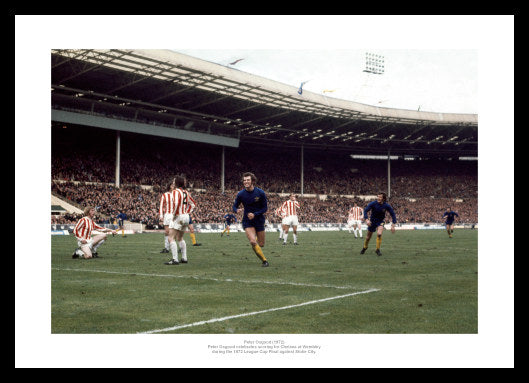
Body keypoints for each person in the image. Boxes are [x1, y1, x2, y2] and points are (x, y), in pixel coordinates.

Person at [232, 172, 269, 267]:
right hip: (247, 221)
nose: (246, 182)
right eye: (244, 180)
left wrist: (255, 214)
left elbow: (265, 208)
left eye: (248, 180)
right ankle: (264, 261)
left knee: (261, 244)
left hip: (259, 220)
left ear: (252, 181)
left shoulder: (260, 193)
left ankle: (255, 238)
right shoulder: (241, 194)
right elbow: (234, 206)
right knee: (252, 241)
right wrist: (237, 210)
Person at [165, 175, 196, 265]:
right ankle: (184, 258)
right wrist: (187, 212)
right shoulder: (186, 192)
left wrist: (174, 214)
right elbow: (193, 204)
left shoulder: (175, 192)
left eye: (174, 181)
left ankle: (175, 259)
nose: (173, 183)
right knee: (180, 238)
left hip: (178, 216)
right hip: (186, 216)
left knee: (171, 238)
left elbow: (176, 203)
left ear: (177, 183)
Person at [159, 180, 175, 253]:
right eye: (172, 185)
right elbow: (161, 205)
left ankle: (177, 247)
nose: (173, 186)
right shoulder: (165, 195)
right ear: (169, 186)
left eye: (174, 185)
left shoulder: (176, 194)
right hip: (167, 215)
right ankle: (167, 248)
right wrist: (161, 215)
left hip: (175, 215)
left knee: (175, 232)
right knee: (166, 232)